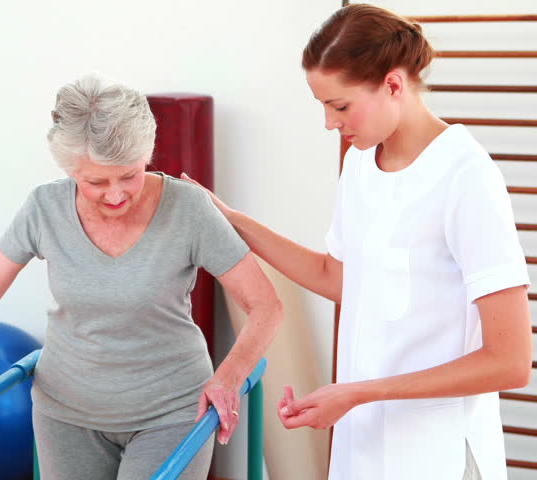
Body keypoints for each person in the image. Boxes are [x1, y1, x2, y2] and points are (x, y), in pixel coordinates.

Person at [184, 4, 531, 479]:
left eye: (340, 106)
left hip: (439, 452)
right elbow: (340, 278)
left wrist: (356, 392)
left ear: (393, 84)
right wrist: (231, 219)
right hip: (363, 443)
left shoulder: (465, 176)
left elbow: (510, 362)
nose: (330, 123)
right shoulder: (360, 165)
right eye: (323, 106)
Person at [0, 74, 283, 479]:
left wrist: (228, 377)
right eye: (95, 182)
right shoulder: (44, 208)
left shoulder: (189, 209)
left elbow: (266, 305)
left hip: (171, 412)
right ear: (71, 170)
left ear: (146, 157)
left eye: (130, 176)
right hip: (65, 415)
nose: (116, 194)